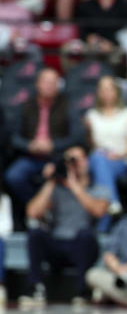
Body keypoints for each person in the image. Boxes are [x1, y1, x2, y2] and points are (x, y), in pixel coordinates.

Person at [20, 146, 110, 307]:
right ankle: (34, 288)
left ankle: (82, 292)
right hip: (56, 243)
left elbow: (98, 210)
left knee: (86, 236)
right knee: (35, 233)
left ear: (86, 162)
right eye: (69, 160)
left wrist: (74, 185)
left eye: (77, 160)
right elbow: (32, 212)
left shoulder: (98, 189)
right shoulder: (55, 188)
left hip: (81, 245)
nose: (73, 165)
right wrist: (52, 181)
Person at [6, 69, 82, 228]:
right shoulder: (26, 105)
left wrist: (53, 145)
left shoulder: (68, 105)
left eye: (54, 82)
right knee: (13, 176)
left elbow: (77, 136)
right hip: (30, 156)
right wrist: (29, 145)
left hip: (57, 156)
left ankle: (50, 214)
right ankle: (37, 210)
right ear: (37, 84)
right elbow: (13, 137)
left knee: (62, 173)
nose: (50, 86)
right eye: (46, 82)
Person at [85, 76, 127, 221]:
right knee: (99, 159)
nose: (106, 92)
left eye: (110, 88)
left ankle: (110, 204)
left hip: (122, 160)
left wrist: (118, 155)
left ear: (117, 91)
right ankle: (112, 204)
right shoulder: (91, 115)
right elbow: (92, 145)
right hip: (98, 159)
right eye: (103, 89)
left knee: (101, 167)